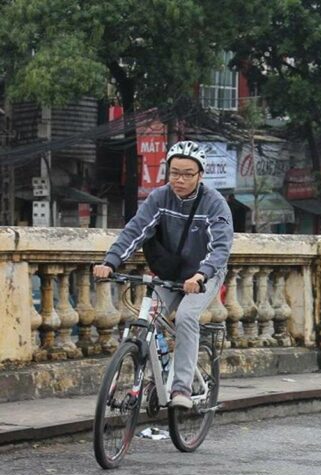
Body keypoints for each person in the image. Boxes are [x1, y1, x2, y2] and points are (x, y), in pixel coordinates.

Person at [93, 141, 234, 409]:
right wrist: (110, 262)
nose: (179, 179)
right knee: (147, 320)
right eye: (174, 172)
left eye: (187, 174)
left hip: (205, 274)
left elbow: (220, 249)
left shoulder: (215, 204)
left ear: (200, 175)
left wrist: (201, 276)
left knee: (185, 317)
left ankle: (181, 386)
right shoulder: (159, 197)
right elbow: (135, 231)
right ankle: (153, 376)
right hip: (170, 273)